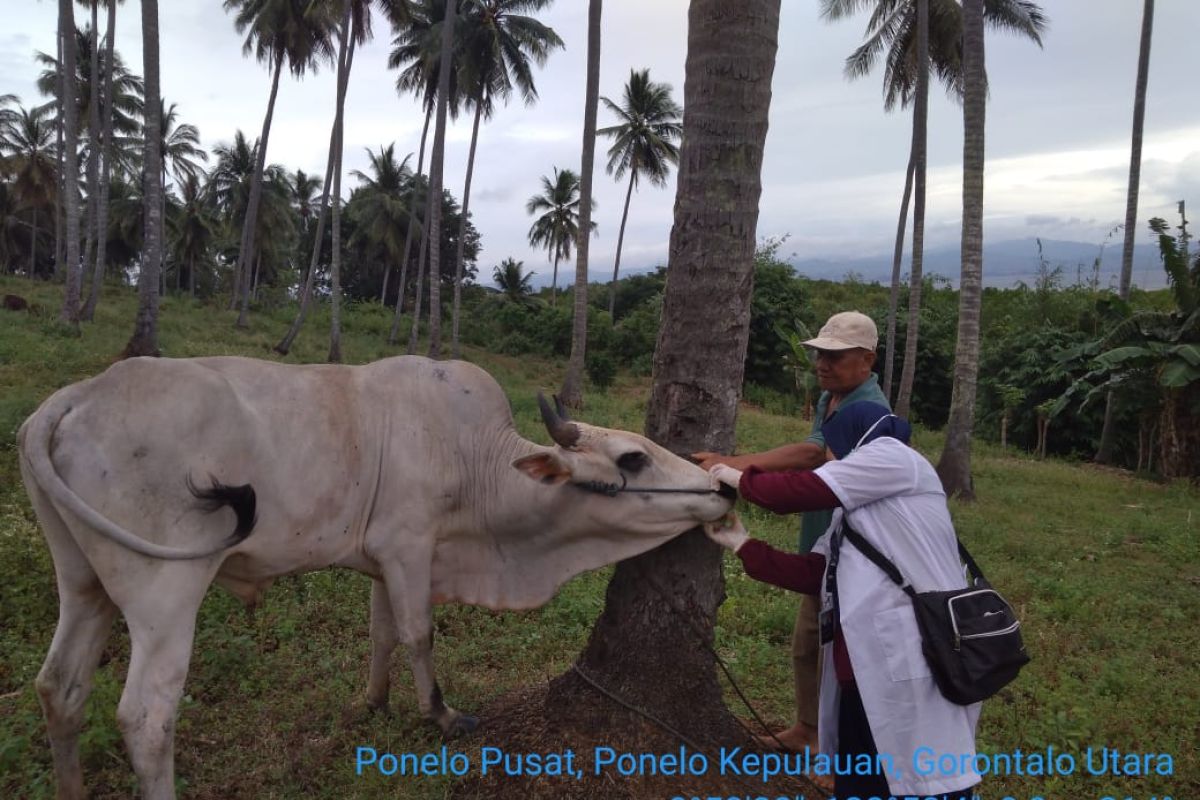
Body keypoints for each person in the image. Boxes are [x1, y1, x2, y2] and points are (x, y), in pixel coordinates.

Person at [704, 402, 981, 800]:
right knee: (864, 778)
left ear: (853, 438)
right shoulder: (850, 517)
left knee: (925, 777)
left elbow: (793, 493)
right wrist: (740, 542)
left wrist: (724, 471)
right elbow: (813, 573)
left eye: (830, 450)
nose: (828, 460)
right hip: (862, 673)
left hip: (914, 660)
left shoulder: (897, 459)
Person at [693, 310, 888, 753]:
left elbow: (810, 455)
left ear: (867, 361)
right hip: (821, 545)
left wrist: (735, 465)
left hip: (857, 553)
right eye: (820, 354)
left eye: (835, 357)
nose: (822, 364)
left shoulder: (868, 409)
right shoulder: (832, 397)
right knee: (806, 644)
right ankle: (807, 728)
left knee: (844, 657)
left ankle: (840, 752)